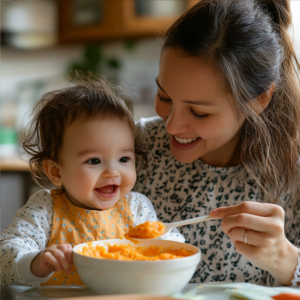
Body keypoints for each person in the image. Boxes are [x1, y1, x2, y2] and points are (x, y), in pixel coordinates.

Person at [134, 0, 300, 287]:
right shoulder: (130, 150)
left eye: (199, 112)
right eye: (164, 97)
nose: (171, 125)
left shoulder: (292, 170)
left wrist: (285, 259)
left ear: (259, 99)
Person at [0, 73, 184, 287]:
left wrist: (173, 251)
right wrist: (35, 263)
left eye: (123, 158)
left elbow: (169, 244)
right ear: (56, 172)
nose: (112, 172)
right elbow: (5, 256)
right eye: (94, 161)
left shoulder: (136, 207)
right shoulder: (45, 210)